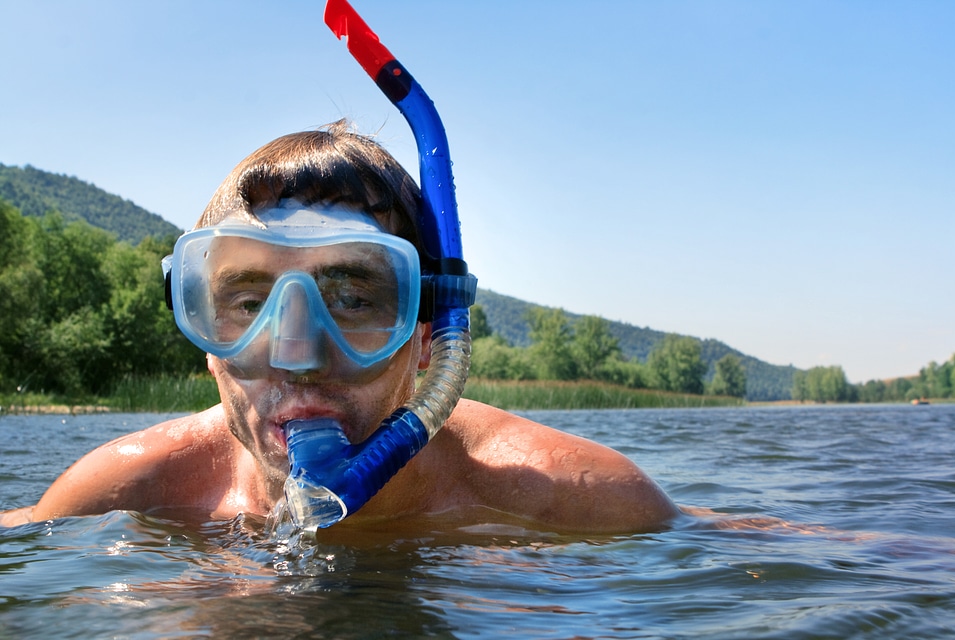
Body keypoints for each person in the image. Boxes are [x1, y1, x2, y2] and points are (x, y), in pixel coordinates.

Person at [1, 121, 679, 533]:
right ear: (206, 341)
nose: (296, 355)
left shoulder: (572, 499)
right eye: (247, 301)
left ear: (427, 343)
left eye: (352, 299)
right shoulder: (127, 496)